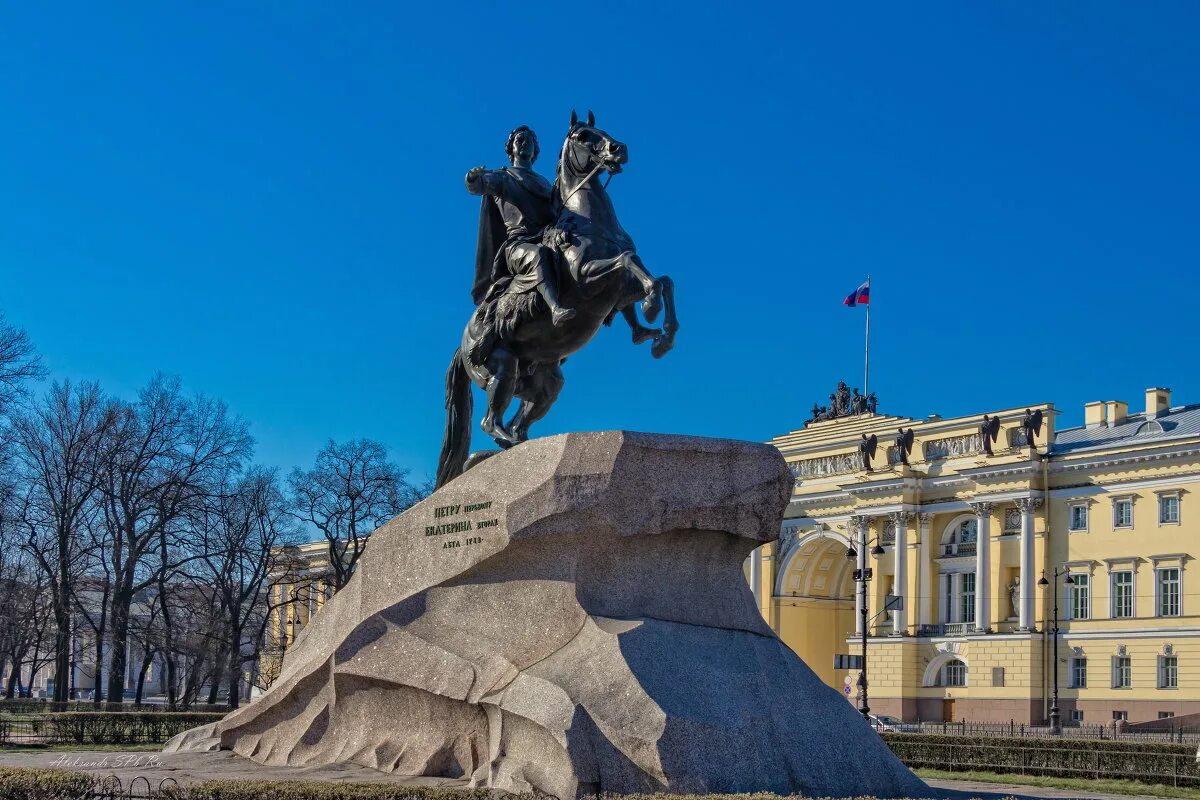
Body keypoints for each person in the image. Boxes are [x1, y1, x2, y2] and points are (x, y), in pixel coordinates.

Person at [466, 126, 575, 327]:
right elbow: (479, 186)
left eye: (529, 141)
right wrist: (473, 179)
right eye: (519, 140)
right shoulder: (502, 176)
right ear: (511, 149)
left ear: (535, 151)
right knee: (538, 255)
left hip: (548, 237)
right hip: (518, 244)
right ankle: (555, 308)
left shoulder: (546, 184)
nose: (524, 143)